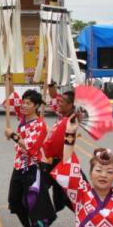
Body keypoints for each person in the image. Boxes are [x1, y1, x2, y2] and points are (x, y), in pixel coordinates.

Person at [3, 75, 53, 227]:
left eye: (28, 103)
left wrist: (13, 135)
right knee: (15, 201)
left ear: (37, 106)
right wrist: (8, 77)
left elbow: (30, 147)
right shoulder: (23, 119)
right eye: (24, 102)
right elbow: (11, 96)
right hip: (19, 166)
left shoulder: (40, 125)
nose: (24, 105)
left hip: (33, 167)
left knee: (33, 202)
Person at [39, 88, 76, 216]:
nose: (59, 102)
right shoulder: (63, 117)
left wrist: (42, 145)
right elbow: (54, 95)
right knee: (70, 197)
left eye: (63, 101)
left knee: (38, 191)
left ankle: (40, 224)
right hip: (58, 163)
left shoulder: (68, 121)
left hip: (59, 164)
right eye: (59, 100)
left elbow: (54, 146)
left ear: (71, 105)